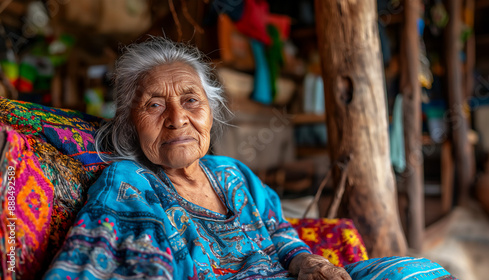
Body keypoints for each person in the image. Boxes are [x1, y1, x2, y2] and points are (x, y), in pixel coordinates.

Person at [44, 37, 456, 280]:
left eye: (191, 100)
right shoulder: (129, 183)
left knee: (415, 272)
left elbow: (276, 229)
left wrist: (306, 261)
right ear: (130, 123)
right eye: (154, 105)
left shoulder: (232, 174)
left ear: (211, 110)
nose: (177, 120)